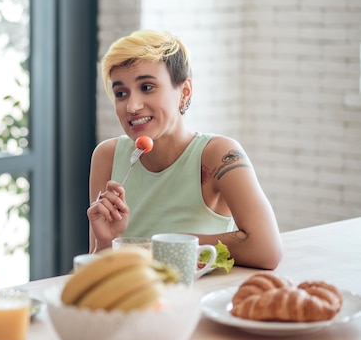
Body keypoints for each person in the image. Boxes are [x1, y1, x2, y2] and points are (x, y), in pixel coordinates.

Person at [87, 30, 282, 270]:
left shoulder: (219, 154)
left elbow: (266, 249)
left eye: (147, 87)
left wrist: (158, 246)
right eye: (121, 93)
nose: (132, 106)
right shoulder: (106, 156)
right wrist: (106, 243)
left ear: (185, 92)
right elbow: (99, 270)